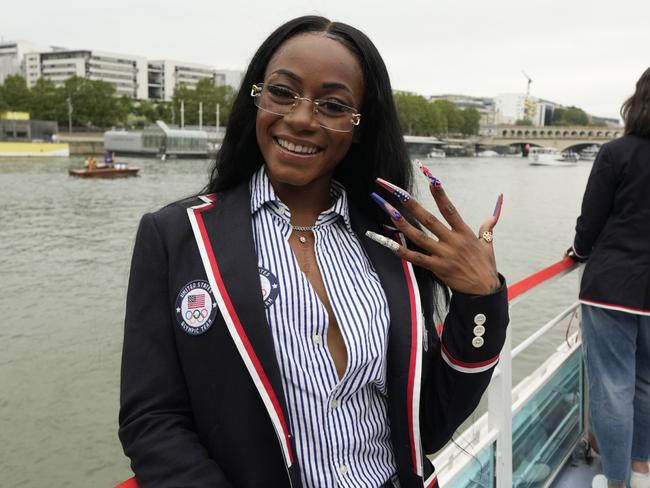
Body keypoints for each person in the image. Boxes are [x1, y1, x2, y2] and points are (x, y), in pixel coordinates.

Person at [119, 16, 509, 488]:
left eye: (333, 105)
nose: (302, 119)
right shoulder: (177, 236)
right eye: (282, 93)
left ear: (360, 126)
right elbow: (152, 419)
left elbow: (430, 423)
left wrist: (481, 298)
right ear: (257, 98)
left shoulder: (394, 244)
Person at [567, 67, 650, 488]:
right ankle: (641, 471)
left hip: (613, 287)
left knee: (613, 386)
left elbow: (591, 221)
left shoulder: (617, 153)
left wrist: (579, 253)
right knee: (647, 381)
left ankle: (615, 481)